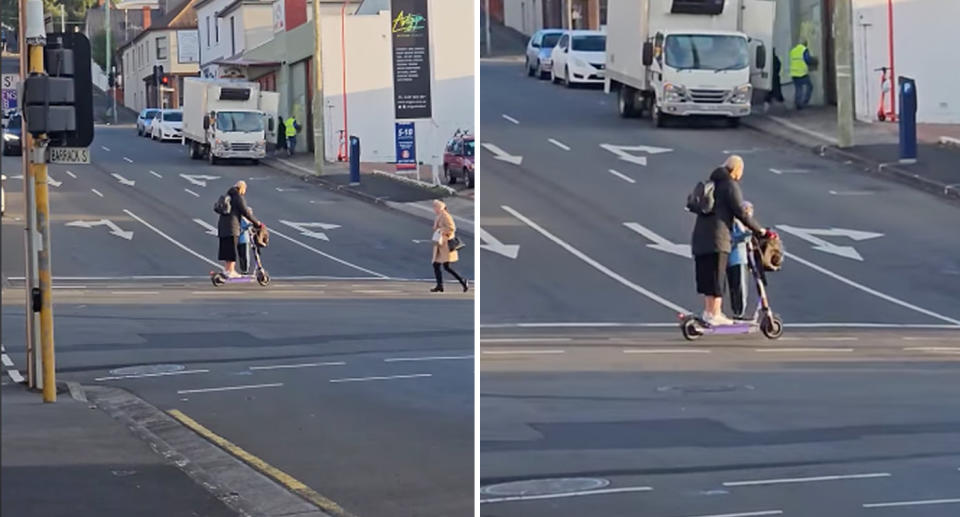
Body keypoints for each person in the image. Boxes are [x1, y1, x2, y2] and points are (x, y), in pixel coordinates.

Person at [691, 156, 769, 326]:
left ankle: (708, 312)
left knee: (707, 276)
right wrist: (760, 230)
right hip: (718, 238)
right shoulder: (730, 185)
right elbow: (741, 212)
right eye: (741, 171)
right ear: (735, 170)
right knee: (717, 277)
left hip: (701, 237)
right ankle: (716, 313)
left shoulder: (712, 182)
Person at [217, 181, 263, 278]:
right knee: (232, 249)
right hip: (232, 227)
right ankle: (231, 271)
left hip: (223, 226)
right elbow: (245, 212)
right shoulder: (238, 197)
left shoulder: (228, 195)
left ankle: (227, 269)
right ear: (242, 188)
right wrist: (256, 223)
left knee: (226, 249)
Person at [430, 199, 468, 293]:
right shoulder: (439, 216)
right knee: (436, 265)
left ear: (440, 207)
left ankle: (462, 281)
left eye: (435, 206)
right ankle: (440, 285)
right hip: (440, 244)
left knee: (445, 266)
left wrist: (442, 231)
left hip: (445, 245)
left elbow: (452, 228)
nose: (434, 208)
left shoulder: (445, 216)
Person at [727, 201, 755, 319]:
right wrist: (749, 234)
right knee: (740, 288)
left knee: (735, 288)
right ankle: (740, 313)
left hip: (733, 259)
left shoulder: (734, 222)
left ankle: (737, 311)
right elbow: (735, 238)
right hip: (738, 258)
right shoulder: (737, 223)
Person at [790, 41, 814, 110]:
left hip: (794, 73)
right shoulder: (804, 50)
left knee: (798, 88)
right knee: (810, 86)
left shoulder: (793, 50)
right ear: (805, 44)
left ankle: (798, 103)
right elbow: (807, 60)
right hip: (802, 73)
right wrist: (812, 61)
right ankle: (804, 101)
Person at [237, 209, 254, 275]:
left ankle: (245, 269)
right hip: (242, 240)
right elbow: (247, 226)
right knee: (242, 256)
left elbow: (248, 227)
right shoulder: (243, 219)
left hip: (243, 240)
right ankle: (244, 269)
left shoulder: (243, 219)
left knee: (244, 256)